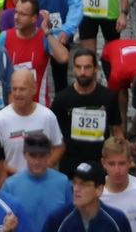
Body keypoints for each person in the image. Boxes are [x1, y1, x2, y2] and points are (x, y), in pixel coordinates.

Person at [50, 49, 119, 178]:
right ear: (74, 68)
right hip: (70, 166)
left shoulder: (108, 97)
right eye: (78, 67)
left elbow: (117, 129)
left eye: (87, 67)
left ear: (96, 68)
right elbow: (52, 131)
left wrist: (119, 156)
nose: (82, 72)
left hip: (99, 165)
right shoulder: (62, 99)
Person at [0, 70, 60, 174]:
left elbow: (59, 146)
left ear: (34, 89)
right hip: (11, 183)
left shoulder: (47, 116)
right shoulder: (0, 119)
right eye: (14, 89)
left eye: (22, 89)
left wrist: (44, 166)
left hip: (41, 180)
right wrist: (18, 176)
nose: (17, 94)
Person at [40, 161, 130, 232]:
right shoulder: (57, 219)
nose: (76, 189)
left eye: (83, 184)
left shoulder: (117, 221)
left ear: (99, 190)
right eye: (75, 183)